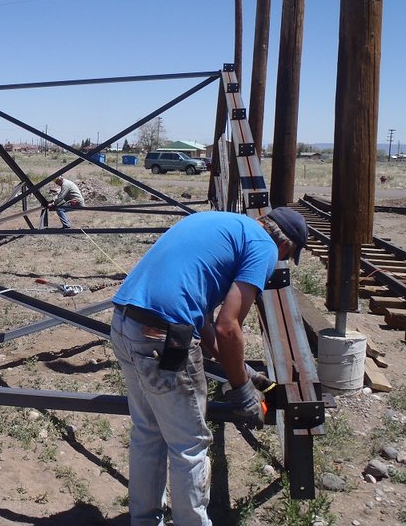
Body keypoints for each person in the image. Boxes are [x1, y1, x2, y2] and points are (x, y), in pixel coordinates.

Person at [111, 206, 308, 525]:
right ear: (286, 246)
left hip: (125, 322)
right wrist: (243, 392)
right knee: (189, 444)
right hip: (164, 336)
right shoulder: (265, 247)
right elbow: (228, 327)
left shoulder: (218, 222)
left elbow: (200, 313)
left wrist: (243, 372)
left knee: (148, 432)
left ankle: (145, 520)